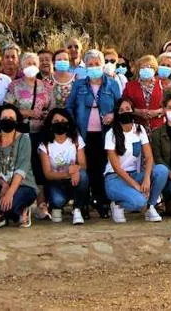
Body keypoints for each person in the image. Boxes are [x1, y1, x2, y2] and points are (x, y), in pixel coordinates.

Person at [66, 50, 120, 218]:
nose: (94, 67)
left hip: (105, 135)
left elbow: (121, 106)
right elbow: (69, 107)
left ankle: (101, 202)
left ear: (103, 65)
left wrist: (113, 114)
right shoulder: (78, 85)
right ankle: (83, 204)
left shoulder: (112, 84)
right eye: (90, 65)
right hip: (84, 134)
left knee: (101, 169)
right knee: (86, 168)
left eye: (97, 64)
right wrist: (73, 128)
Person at [104, 97, 168, 223]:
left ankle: (151, 206)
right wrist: (137, 186)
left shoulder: (139, 129)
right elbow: (116, 168)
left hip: (135, 174)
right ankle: (118, 205)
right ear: (117, 113)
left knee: (161, 170)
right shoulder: (111, 134)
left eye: (128, 109)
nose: (125, 112)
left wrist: (146, 179)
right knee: (139, 202)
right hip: (116, 178)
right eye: (121, 110)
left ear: (132, 111)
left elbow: (149, 157)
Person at [6, 52, 53, 216]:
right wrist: (27, 113)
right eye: (28, 63)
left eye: (34, 63)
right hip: (21, 134)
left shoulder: (46, 86)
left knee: (39, 168)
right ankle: (21, 204)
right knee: (22, 167)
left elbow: (51, 108)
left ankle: (42, 205)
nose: (31, 66)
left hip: (41, 133)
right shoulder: (15, 86)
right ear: (22, 66)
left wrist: (47, 116)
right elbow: (8, 109)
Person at [37, 108, 88, 225]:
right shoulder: (45, 145)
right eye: (56, 121)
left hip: (74, 180)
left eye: (63, 120)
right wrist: (68, 172)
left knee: (83, 176)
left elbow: (83, 164)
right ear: (50, 124)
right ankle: (55, 206)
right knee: (58, 201)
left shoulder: (76, 139)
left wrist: (76, 169)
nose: (60, 123)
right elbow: (48, 174)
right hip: (56, 181)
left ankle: (77, 209)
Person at [124, 54, 166, 131]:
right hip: (137, 128)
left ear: (155, 69)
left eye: (149, 67)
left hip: (159, 128)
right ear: (139, 69)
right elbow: (124, 106)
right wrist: (138, 112)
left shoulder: (163, 85)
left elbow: (169, 106)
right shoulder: (129, 86)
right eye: (143, 67)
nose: (146, 69)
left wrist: (157, 112)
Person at [50, 47, 78, 111]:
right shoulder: (48, 80)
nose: (62, 61)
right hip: (54, 117)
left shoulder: (76, 79)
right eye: (59, 60)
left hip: (72, 117)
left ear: (69, 62)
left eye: (65, 59)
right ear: (54, 63)